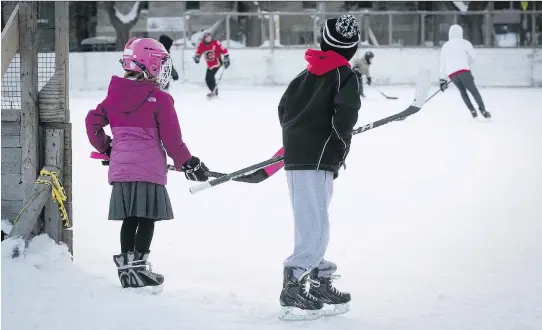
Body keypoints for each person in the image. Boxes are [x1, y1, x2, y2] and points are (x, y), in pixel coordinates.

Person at [85, 37, 210, 290]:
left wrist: (107, 148)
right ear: (150, 64)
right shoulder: (159, 99)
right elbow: (173, 141)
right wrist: (189, 163)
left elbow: (92, 123)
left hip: (121, 170)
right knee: (146, 218)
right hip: (149, 171)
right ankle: (139, 268)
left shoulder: (113, 96)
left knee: (130, 218)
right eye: (161, 64)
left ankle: (127, 271)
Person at [276, 14, 361, 321]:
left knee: (312, 218)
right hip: (317, 159)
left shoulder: (304, 74)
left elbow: (284, 110)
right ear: (352, 49)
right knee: (315, 224)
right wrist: (339, 147)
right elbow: (345, 116)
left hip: (300, 158)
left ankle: (319, 276)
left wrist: (298, 135)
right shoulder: (345, 76)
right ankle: (295, 281)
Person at [439, 24, 491, 120]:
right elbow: (473, 57)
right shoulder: (465, 43)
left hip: (452, 74)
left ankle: (472, 111)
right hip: (463, 71)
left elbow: (443, 64)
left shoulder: (445, 46)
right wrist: (466, 62)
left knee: (463, 91)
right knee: (473, 91)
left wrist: (443, 80)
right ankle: (483, 111)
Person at [193, 32, 230, 98]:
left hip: (217, 63)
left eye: (210, 37)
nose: (209, 39)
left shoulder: (215, 43)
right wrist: (197, 57)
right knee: (207, 79)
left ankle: (214, 91)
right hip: (210, 65)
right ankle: (214, 90)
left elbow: (224, 50)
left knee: (210, 77)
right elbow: (198, 52)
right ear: (204, 38)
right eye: (207, 37)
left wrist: (226, 58)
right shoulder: (202, 45)